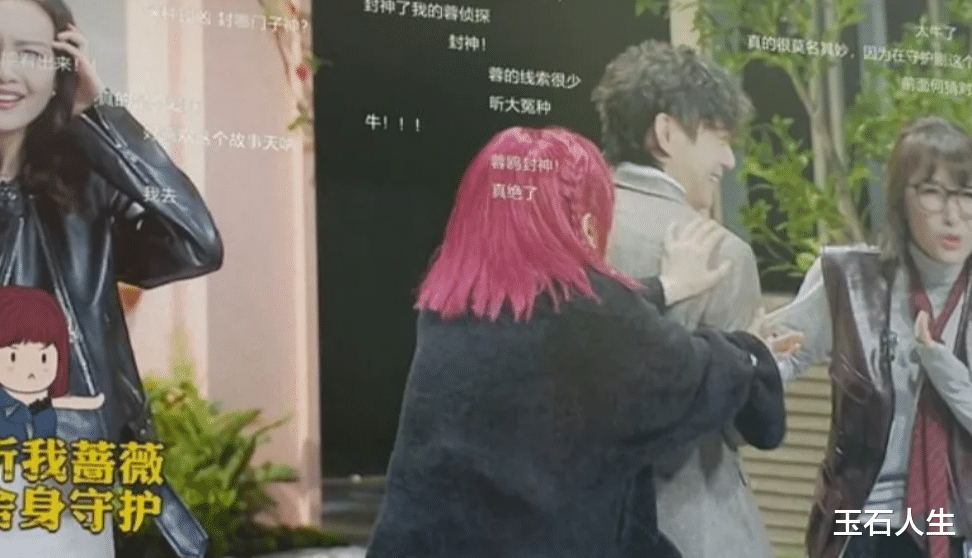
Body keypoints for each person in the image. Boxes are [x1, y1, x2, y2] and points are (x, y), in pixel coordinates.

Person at [365, 126, 789, 558]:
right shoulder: (594, 316)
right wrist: (751, 351)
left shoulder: (453, 303)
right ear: (587, 227)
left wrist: (666, 287)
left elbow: (546, 324)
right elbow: (693, 376)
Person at [0, 0, 220, 556]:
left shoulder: (83, 190)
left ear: (61, 68)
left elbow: (195, 243)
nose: (6, 71)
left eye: (30, 53)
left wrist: (102, 114)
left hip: (60, 471)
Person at [592, 39, 772, 558]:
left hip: (570, 523)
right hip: (689, 526)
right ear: (666, 133)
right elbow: (738, 425)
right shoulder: (723, 255)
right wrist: (762, 360)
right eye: (720, 139)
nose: (729, 160)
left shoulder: (563, 229)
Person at [763, 116, 972, 558]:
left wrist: (943, 369)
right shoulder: (850, 280)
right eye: (932, 192)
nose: (953, 214)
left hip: (958, 528)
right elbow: (778, 357)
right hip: (864, 525)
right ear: (900, 200)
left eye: (966, 193)